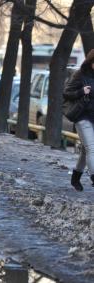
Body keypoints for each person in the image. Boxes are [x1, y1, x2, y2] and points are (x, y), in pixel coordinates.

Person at [64, 49, 94, 191]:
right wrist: (82, 91)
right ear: (91, 62)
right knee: (91, 148)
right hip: (82, 115)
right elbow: (67, 93)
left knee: (85, 149)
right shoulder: (80, 74)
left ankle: (75, 177)